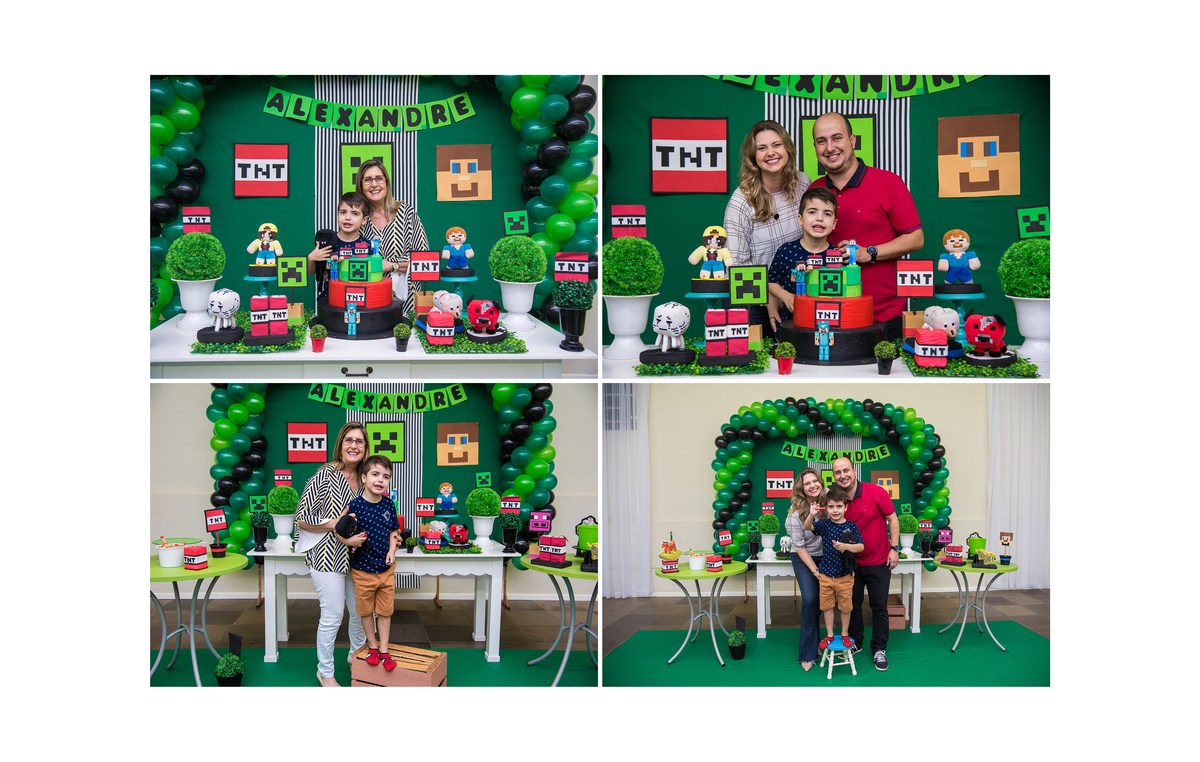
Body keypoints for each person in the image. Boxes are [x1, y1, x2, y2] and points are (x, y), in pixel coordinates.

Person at [809, 112, 924, 339]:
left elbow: (916, 238)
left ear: (852, 140)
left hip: (884, 316)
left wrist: (869, 253)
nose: (830, 147)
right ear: (815, 147)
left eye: (837, 138)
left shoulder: (888, 182)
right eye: (822, 141)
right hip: (828, 315)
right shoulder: (814, 189)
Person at [293, 422, 369, 687]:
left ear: (365, 447)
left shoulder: (366, 478)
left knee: (360, 612)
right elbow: (302, 519)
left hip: (357, 557)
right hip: (327, 556)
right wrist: (335, 524)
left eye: (359, 441)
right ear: (341, 444)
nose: (353, 446)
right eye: (349, 440)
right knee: (333, 615)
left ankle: (356, 657)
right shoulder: (324, 475)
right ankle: (325, 672)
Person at [724, 120, 811, 339]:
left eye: (776, 145)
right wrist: (768, 297)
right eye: (762, 148)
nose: (770, 153)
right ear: (753, 156)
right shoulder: (741, 201)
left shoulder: (803, 183)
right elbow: (736, 266)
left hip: (797, 294)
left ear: (787, 148)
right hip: (753, 298)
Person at [830, 456, 901, 671]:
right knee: (852, 606)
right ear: (834, 476)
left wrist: (894, 548)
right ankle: (855, 642)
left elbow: (893, 519)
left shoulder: (876, 492)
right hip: (850, 564)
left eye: (846, 470)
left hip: (878, 561)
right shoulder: (836, 499)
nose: (842, 475)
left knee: (879, 607)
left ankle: (879, 649)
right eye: (837, 472)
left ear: (854, 471)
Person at [357, 158, 430, 317]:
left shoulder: (407, 213)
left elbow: (425, 261)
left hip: (409, 301)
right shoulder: (358, 219)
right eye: (368, 180)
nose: (374, 184)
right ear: (361, 185)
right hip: (371, 301)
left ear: (386, 182)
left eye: (379, 178)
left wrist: (391, 265)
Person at [347, 455, 400, 671]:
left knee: (386, 611)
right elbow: (344, 530)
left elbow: (394, 530)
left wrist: (392, 550)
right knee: (366, 611)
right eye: (375, 474)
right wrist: (350, 537)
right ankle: (373, 647)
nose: (380, 480)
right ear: (364, 478)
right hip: (362, 570)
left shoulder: (389, 504)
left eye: (386, 476)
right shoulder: (355, 505)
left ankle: (384, 649)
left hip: (386, 569)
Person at [802, 486, 864, 651]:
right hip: (826, 576)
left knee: (846, 607)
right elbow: (807, 527)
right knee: (827, 606)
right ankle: (829, 634)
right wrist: (811, 514)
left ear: (845, 507)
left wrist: (846, 546)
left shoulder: (852, 526)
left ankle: (844, 634)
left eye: (839, 506)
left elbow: (861, 547)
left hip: (845, 576)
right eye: (831, 506)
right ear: (826, 508)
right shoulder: (824, 524)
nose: (835, 510)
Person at [766, 186, 839, 321]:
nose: (819, 218)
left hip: (827, 323)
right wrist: (785, 296)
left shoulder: (837, 255)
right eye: (812, 212)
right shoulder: (786, 251)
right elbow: (770, 281)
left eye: (827, 214)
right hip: (792, 322)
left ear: (834, 224)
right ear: (800, 219)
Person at [786, 467, 827, 671]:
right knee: (810, 600)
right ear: (801, 489)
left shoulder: (829, 503)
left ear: (820, 482)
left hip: (825, 556)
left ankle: (816, 643)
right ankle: (807, 654)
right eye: (807, 483)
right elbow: (800, 547)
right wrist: (815, 571)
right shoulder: (795, 514)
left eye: (815, 481)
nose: (812, 485)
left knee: (820, 602)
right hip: (804, 557)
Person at [307, 192, 372, 303]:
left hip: (357, 298)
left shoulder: (366, 245)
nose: (347, 217)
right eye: (343, 212)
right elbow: (313, 272)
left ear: (364, 220)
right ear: (337, 215)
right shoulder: (328, 242)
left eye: (355, 213)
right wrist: (311, 258)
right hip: (330, 299)